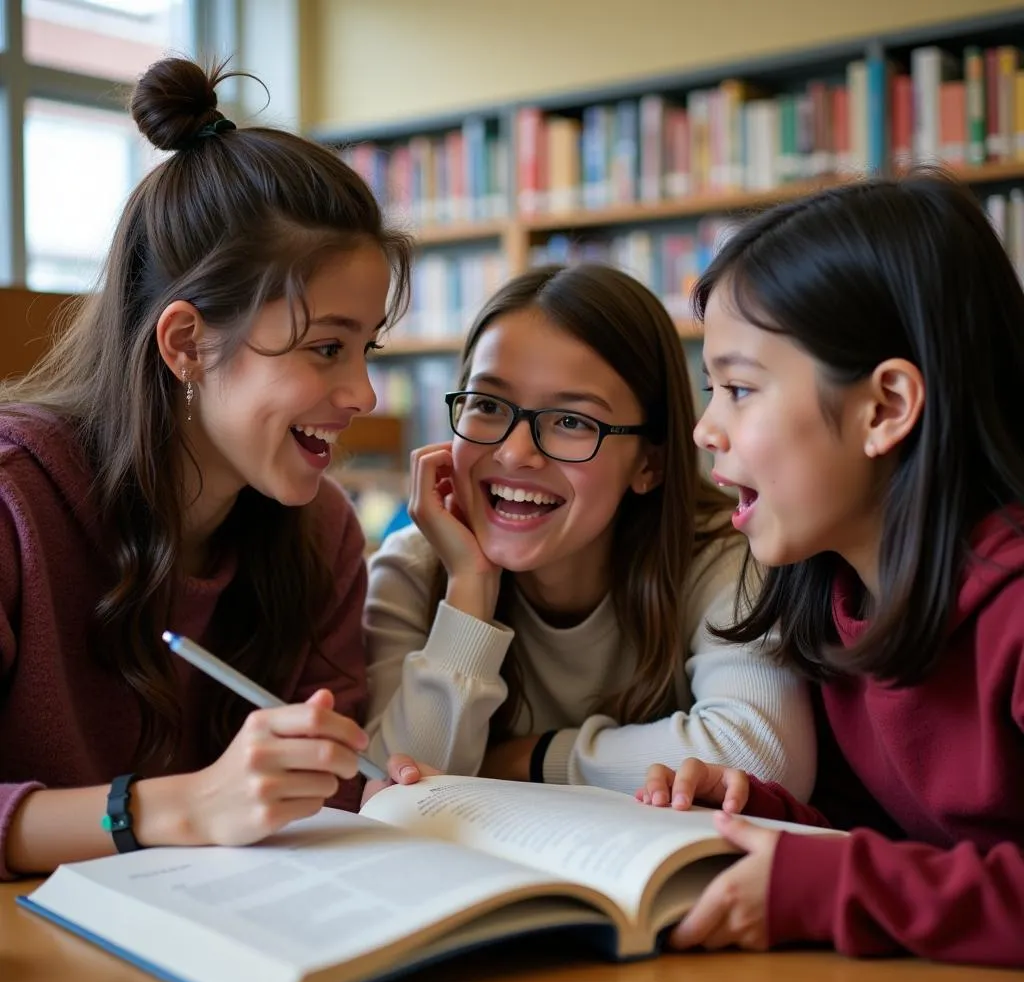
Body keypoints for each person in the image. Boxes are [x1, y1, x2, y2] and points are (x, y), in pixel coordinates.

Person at [0, 56, 419, 880]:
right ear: (186, 343)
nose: (363, 393)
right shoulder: (15, 498)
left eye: (367, 349)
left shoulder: (322, 531)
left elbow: (321, 810)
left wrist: (360, 791)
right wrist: (179, 806)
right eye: (326, 348)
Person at [640, 172, 1024, 967]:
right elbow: (896, 844)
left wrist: (826, 884)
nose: (706, 428)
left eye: (739, 388)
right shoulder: (836, 594)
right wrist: (766, 815)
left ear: (884, 408)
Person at [363, 263, 815, 796]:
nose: (514, 452)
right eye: (486, 405)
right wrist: (470, 589)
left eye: (572, 421)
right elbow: (393, 786)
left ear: (651, 462)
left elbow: (762, 756)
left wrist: (530, 759)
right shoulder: (415, 568)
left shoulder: (723, 555)